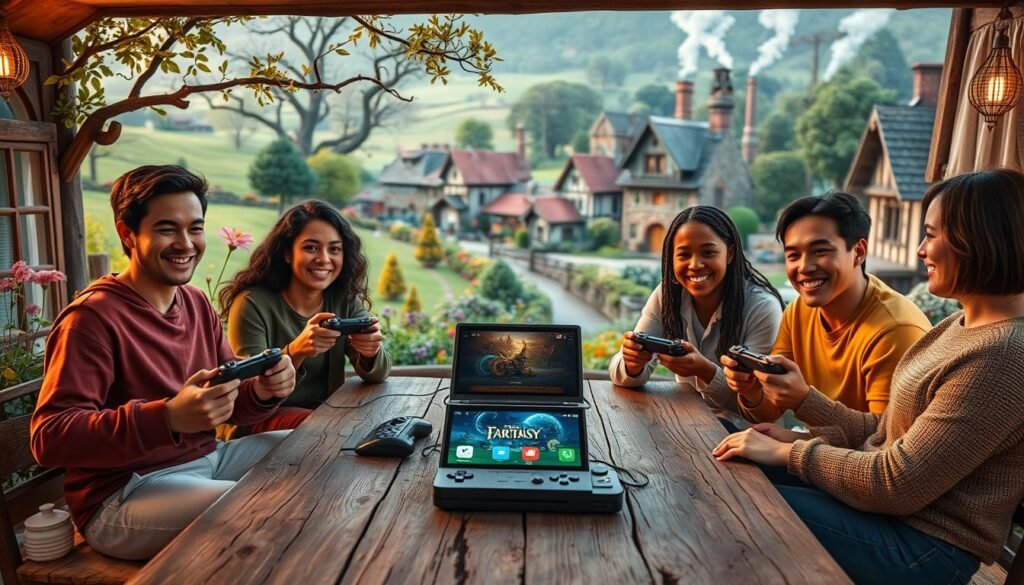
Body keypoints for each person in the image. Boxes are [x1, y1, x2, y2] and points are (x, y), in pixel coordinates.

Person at [712, 169, 1024, 584]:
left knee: (739, 498)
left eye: (931, 235)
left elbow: (897, 483)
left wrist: (791, 454)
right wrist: (797, 434)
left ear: (982, 238)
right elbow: (888, 431)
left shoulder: (1001, 356)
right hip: (889, 513)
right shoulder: (959, 326)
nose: (919, 250)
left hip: (925, 547)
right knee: (723, 453)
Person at [30, 165, 296, 560]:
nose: (185, 243)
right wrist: (167, 418)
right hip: (125, 495)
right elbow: (49, 437)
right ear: (127, 233)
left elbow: (230, 404)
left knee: (314, 450)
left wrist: (262, 390)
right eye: (167, 229)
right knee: (264, 508)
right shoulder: (91, 318)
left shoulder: (195, 303)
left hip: (209, 462)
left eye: (195, 228)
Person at [722, 191, 931, 422]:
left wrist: (793, 436)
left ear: (859, 252)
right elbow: (770, 410)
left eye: (820, 251)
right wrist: (751, 391)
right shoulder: (799, 310)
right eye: (793, 255)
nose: (804, 267)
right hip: (820, 451)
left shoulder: (895, 331)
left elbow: (883, 443)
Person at [220, 200, 390, 435]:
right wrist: (296, 351)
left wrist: (370, 353)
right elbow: (249, 393)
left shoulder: (344, 299)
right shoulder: (251, 303)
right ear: (287, 253)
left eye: (334, 249)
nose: (324, 259)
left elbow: (379, 374)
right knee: (340, 432)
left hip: (323, 419)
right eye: (311, 248)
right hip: (258, 426)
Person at [609, 206, 785, 414]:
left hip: (748, 435)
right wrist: (632, 364)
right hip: (688, 425)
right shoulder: (668, 294)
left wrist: (706, 372)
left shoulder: (762, 307)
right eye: (683, 255)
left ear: (730, 253)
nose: (695, 264)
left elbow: (761, 408)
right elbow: (619, 373)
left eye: (708, 252)